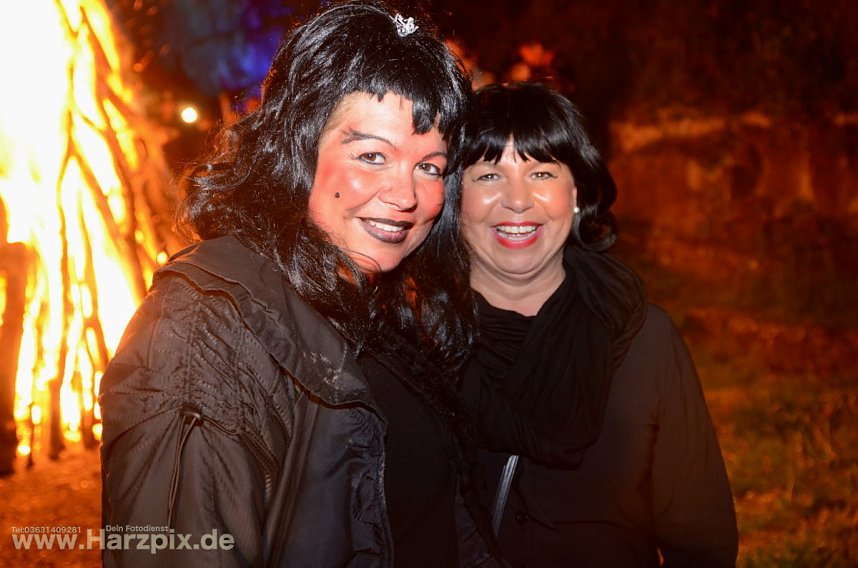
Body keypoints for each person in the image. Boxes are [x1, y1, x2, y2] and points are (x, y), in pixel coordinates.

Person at [99, 2, 498, 566]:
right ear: (297, 147)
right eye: (371, 155)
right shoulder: (203, 331)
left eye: (429, 166)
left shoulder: (376, 302)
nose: (406, 196)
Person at [459, 82, 739, 567]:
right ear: (452, 197)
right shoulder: (417, 344)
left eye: (541, 171)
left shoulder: (643, 341)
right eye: (488, 175)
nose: (518, 201)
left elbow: (701, 541)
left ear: (576, 194)